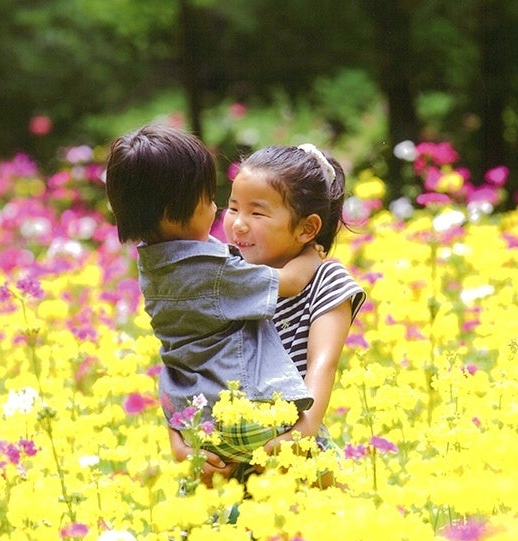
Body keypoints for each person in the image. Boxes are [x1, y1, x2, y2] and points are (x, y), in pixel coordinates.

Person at [105, 124, 323, 468]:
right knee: (325, 462)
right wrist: (313, 251)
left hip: (194, 423)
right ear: (174, 212)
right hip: (242, 413)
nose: (217, 208)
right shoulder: (209, 271)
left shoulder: (153, 265)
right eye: (208, 200)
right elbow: (292, 282)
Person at [168, 143, 366, 485]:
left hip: (291, 455)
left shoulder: (326, 281)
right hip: (218, 462)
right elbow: (183, 359)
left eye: (257, 213)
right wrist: (180, 441)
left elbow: (323, 366)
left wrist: (299, 436)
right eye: (232, 208)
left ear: (306, 229)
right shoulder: (222, 274)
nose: (238, 225)